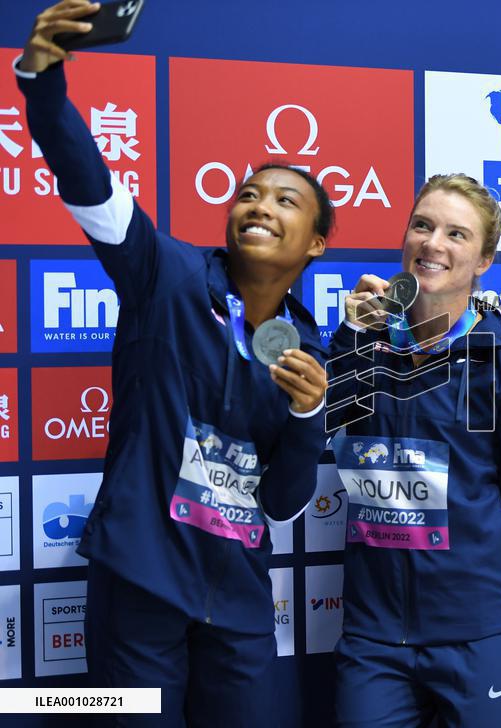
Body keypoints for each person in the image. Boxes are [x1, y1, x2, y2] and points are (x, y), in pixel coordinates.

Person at [17, 2, 331, 724]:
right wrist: (41, 79)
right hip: (140, 581)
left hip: (239, 596)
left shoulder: (308, 351)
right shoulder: (164, 272)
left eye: (287, 200)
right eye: (249, 193)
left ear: (315, 246)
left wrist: (311, 413)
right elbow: (85, 178)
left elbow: (283, 502)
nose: (259, 204)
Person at [326, 173, 501, 728]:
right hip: (374, 634)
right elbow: (308, 433)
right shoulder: (363, 339)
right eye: (422, 225)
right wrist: (345, 338)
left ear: (483, 261)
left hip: (478, 634)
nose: (433, 243)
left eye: (457, 234)